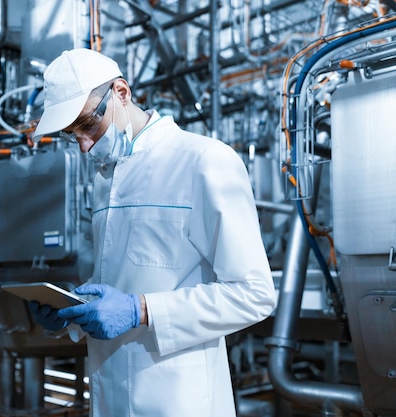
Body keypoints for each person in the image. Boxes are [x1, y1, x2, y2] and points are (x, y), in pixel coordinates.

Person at [29, 48, 276, 417]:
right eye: (71, 135)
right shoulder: (105, 181)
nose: (83, 145)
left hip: (177, 398)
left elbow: (254, 295)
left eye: (87, 125)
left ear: (122, 93)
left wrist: (140, 310)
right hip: (110, 390)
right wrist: (72, 315)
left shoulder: (204, 161)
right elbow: (120, 281)